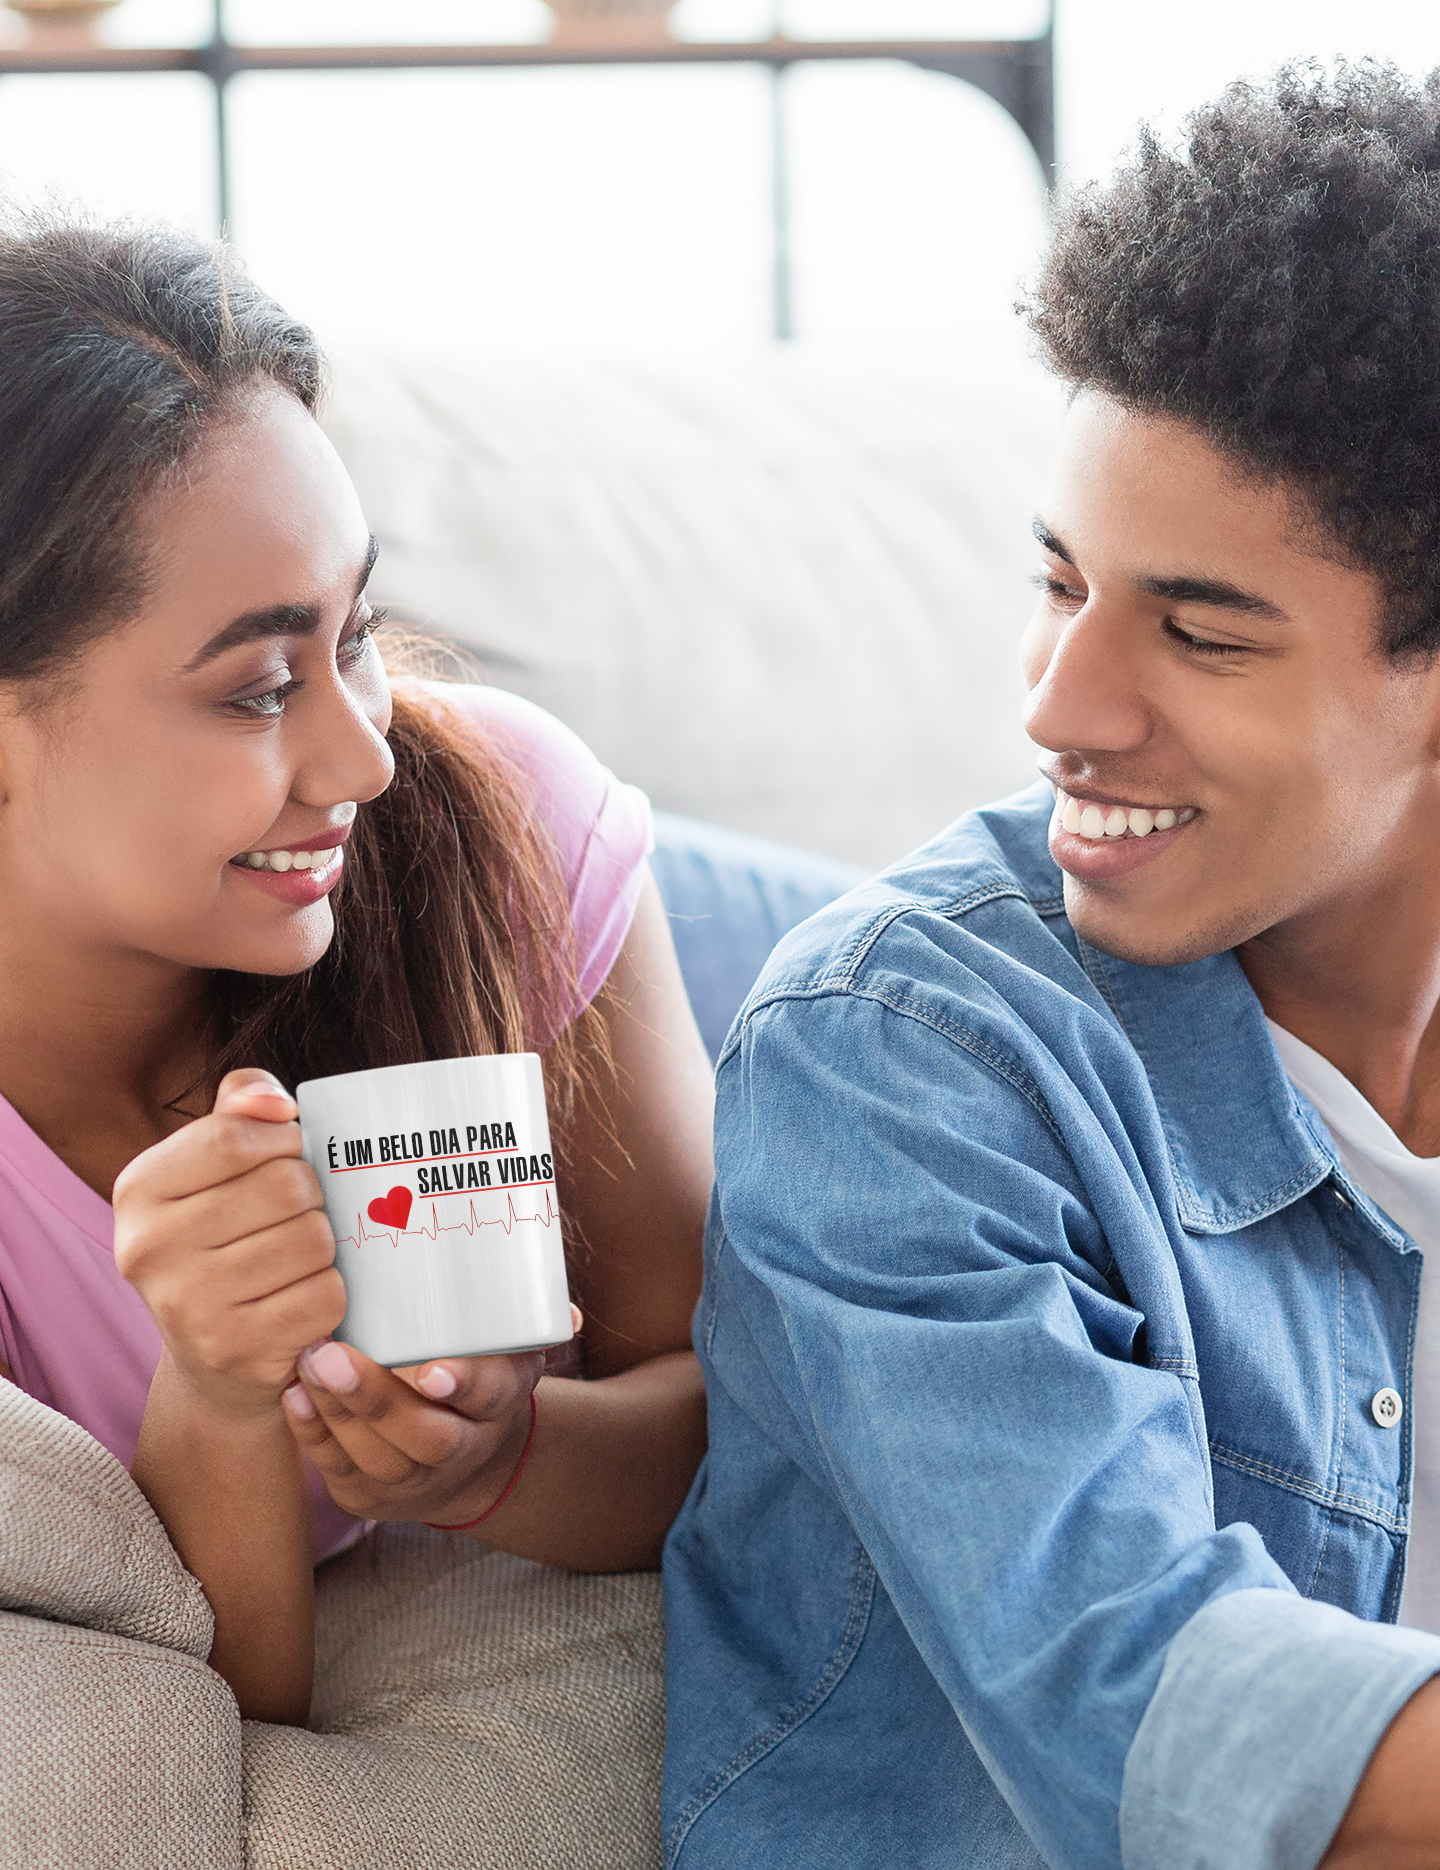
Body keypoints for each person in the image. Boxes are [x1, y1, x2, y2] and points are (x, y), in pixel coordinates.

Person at [662, 60, 1440, 1870]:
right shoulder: (895, 1056)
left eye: (1200, 634)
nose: (1059, 705)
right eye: (1061, 583)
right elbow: (1152, 1696)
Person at [0, 213, 714, 1727]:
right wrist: (218, 1394)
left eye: (358, 629)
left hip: (646, 900)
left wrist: (496, 1461)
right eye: (262, 686)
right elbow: (200, 1726)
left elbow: (743, 1414)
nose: (361, 752)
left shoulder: (493, 823)